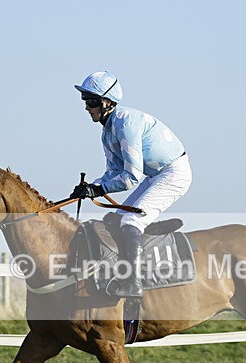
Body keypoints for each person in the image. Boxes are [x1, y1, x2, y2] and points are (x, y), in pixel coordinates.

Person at [71, 71, 192, 299]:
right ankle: (145, 230)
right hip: (155, 176)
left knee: (130, 220)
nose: (87, 107)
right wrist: (91, 186)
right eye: (85, 101)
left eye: (92, 101)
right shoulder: (107, 132)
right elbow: (113, 173)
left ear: (107, 102)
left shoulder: (126, 122)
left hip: (173, 173)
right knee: (115, 218)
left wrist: (99, 189)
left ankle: (132, 284)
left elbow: (131, 177)